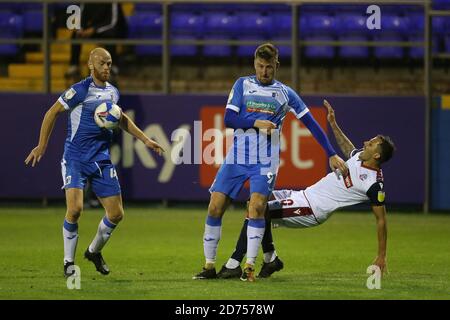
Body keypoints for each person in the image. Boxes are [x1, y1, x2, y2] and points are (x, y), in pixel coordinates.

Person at [193, 43, 348, 282]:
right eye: (259, 66)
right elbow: (229, 119)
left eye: (268, 67)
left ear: (277, 65)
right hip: (237, 157)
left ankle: (249, 268)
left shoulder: (286, 94)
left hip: (265, 161)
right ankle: (209, 266)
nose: (263, 71)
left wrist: (330, 152)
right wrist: (257, 124)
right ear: (254, 64)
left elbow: (311, 124)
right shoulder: (242, 84)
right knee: (215, 206)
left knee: (256, 208)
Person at [216, 100, 395, 279]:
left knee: (259, 209)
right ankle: (271, 259)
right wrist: (333, 124)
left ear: (377, 155)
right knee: (255, 202)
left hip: (312, 209)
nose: (365, 143)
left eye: (371, 144)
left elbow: (381, 220)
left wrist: (382, 255)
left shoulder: (373, 184)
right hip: (303, 195)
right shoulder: (359, 157)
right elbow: (349, 149)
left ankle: (235, 262)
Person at [25, 47, 164, 277]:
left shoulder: (113, 92)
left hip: (101, 159)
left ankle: (93, 251)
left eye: (109, 63)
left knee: (117, 214)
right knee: (75, 209)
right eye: (103, 63)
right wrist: (42, 145)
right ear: (91, 65)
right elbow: (52, 113)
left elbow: (120, 118)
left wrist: (145, 139)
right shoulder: (79, 90)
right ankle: (68, 262)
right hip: (76, 158)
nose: (107, 67)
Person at [65, 3, 127, 79]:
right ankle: (74, 65)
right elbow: (81, 17)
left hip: (111, 29)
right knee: (76, 35)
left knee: (110, 36)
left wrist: (94, 30)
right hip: (94, 28)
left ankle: (113, 67)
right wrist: (80, 29)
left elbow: (112, 23)